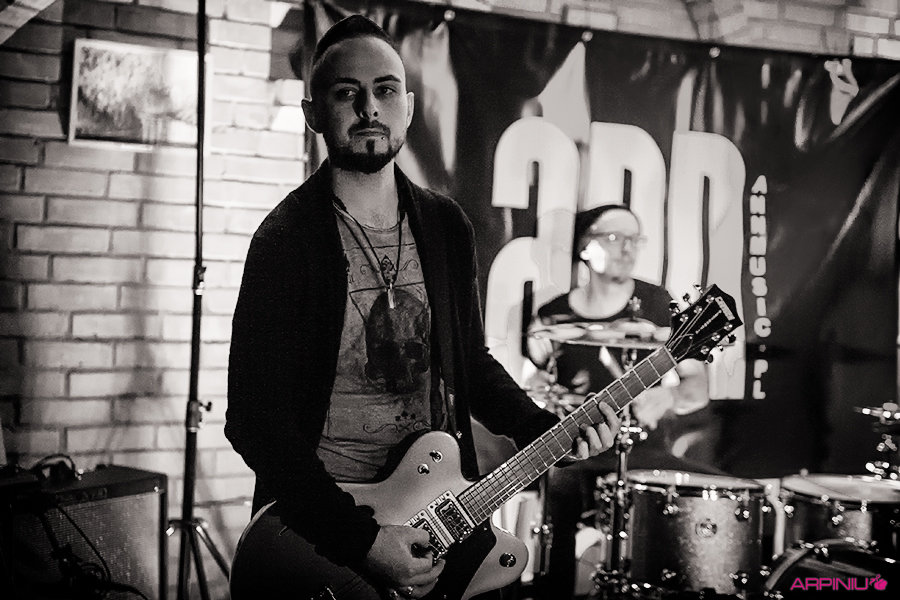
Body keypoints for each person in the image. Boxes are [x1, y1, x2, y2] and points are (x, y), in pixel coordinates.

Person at [224, 15, 620, 600]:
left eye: (385, 90)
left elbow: (471, 366)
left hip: (437, 512)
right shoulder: (286, 240)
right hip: (326, 537)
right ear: (313, 114)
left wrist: (546, 430)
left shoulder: (444, 225)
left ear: (407, 107)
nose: (369, 108)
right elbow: (253, 421)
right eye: (347, 93)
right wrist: (362, 541)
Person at [526, 204, 720, 599]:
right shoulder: (553, 315)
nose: (627, 248)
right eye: (615, 238)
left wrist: (668, 395)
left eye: (634, 239)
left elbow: (697, 387)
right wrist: (540, 395)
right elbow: (533, 382)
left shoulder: (659, 305)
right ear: (585, 247)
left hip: (644, 451)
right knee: (557, 490)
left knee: (713, 498)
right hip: (576, 451)